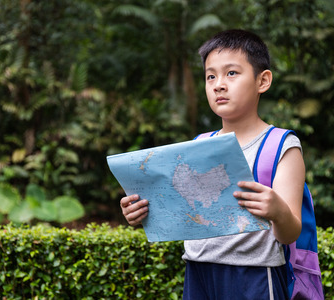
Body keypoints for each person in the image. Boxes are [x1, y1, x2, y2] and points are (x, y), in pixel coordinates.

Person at [120, 29, 305, 299]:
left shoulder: (281, 146)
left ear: (263, 81)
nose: (219, 84)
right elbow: (181, 209)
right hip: (197, 272)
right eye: (210, 76)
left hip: (253, 276)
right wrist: (142, 210)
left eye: (231, 73)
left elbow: (290, 233)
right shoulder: (198, 144)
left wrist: (278, 211)